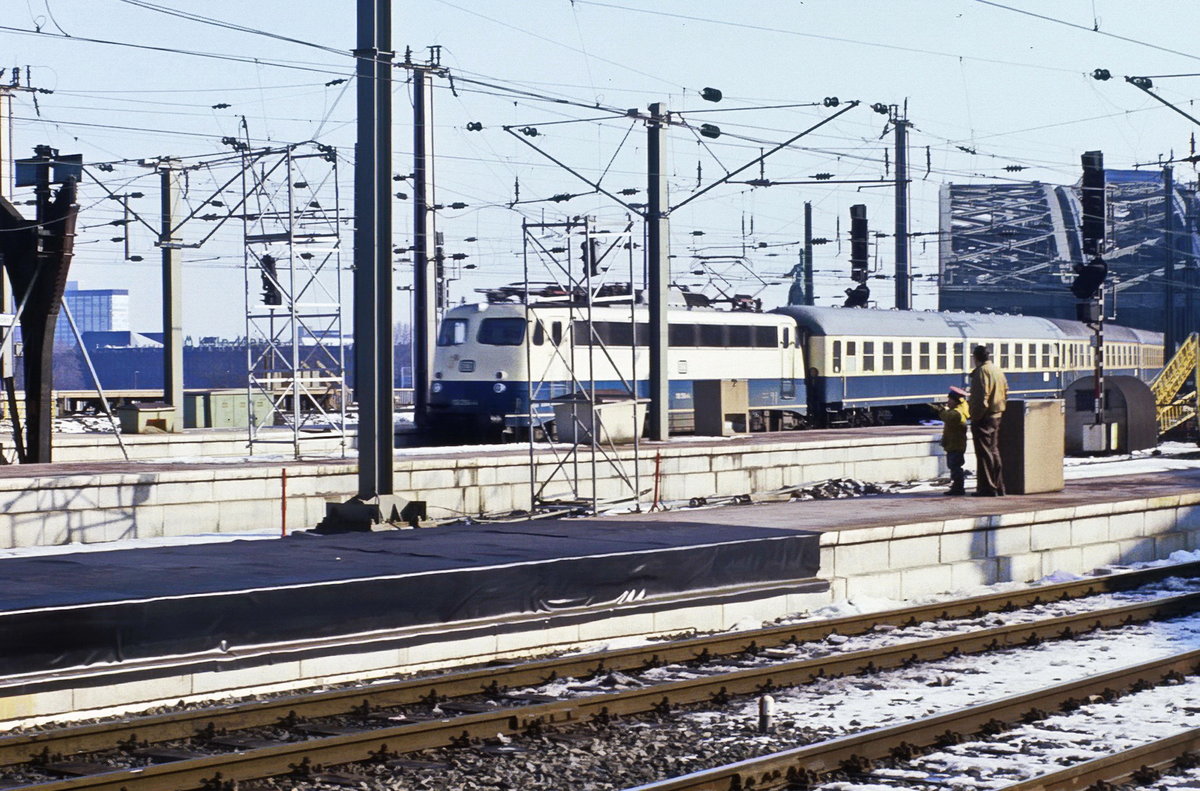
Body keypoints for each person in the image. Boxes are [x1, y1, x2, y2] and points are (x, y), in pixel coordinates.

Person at [968, 345, 1009, 497]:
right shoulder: (997, 370)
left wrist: (975, 416)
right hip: (996, 415)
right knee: (993, 450)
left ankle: (987, 488)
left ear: (975, 357)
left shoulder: (981, 372)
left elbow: (980, 398)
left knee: (984, 454)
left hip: (984, 417)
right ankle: (999, 486)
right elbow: (1006, 391)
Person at [935, 386, 970, 496]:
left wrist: (940, 410)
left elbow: (949, 417)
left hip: (955, 445)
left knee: (955, 466)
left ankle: (958, 487)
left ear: (957, 401)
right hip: (953, 444)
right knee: (954, 466)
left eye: (950, 400)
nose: (948, 402)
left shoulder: (958, 413)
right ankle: (957, 486)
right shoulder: (960, 410)